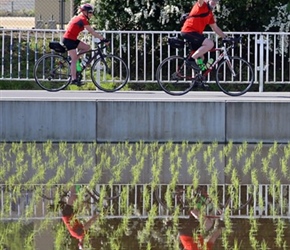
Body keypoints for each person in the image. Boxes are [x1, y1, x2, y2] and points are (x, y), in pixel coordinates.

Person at [62, 3, 109, 86]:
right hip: (69, 40)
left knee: (87, 47)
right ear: (85, 12)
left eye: (92, 12)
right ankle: (74, 79)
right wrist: (103, 39)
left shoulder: (81, 18)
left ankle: (75, 59)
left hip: (72, 39)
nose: (92, 14)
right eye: (90, 12)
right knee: (74, 59)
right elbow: (91, 31)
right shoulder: (82, 19)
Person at [181, 0, 227, 71]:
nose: (214, 2)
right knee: (210, 44)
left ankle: (198, 78)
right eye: (213, 0)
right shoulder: (202, 5)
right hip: (189, 31)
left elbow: (215, 28)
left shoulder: (210, 14)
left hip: (195, 34)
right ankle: (190, 60)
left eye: (216, 1)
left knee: (200, 57)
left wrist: (226, 37)